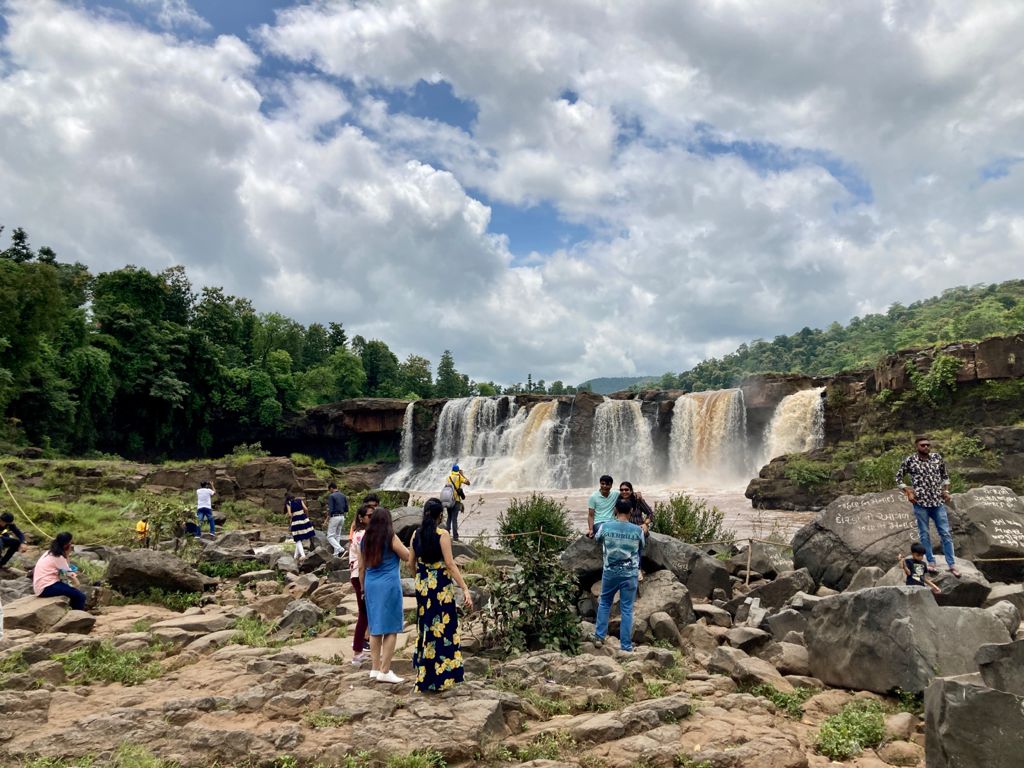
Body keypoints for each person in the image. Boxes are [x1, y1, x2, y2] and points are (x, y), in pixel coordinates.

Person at [411, 498, 473, 693]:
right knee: (445, 627)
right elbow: (450, 563)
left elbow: (409, 563)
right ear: (440, 515)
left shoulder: (416, 534)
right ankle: (446, 674)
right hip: (440, 587)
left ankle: (425, 674)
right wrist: (464, 587)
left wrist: (420, 579)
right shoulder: (442, 534)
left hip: (423, 586)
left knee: (427, 626)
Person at [360, 507, 411, 684]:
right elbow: (406, 556)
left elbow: (361, 566)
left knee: (375, 627)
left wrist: (362, 588)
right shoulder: (390, 536)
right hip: (388, 584)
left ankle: (374, 669)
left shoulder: (365, 538)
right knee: (391, 628)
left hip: (371, 584)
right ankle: (385, 670)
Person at [896, 436, 960, 577]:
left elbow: (946, 477)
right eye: (922, 445)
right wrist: (908, 491)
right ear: (916, 447)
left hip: (937, 502)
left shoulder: (937, 458)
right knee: (924, 534)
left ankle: (952, 564)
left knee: (945, 533)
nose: (926, 447)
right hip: (920, 503)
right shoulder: (910, 460)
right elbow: (898, 478)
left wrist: (946, 490)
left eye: (928, 445)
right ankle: (931, 562)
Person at [592, 498, 645, 652]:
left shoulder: (605, 527)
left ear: (615, 510)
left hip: (610, 572)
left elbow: (597, 539)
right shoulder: (638, 530)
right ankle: (626, 645)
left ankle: (599, 637)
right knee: (627, 608)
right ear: (631, 512)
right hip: (630, 574)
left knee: (605, 602)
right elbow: (642, 545)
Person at [33, 532, 86, 611]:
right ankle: (78, 616)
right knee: (80, 596)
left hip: (42, 585)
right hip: (47, 586)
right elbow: (69, 573)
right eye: (70, 543)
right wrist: (77, 583)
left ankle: (72, 611)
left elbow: (65, 567)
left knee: (72, 592)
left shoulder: (49, 552)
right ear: (66, 545)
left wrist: (67, 554)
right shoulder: (58, 556)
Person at [349, 503, 372, 665]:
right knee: (364, 613)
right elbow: (363, 562)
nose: (372, 518)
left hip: (357, 575)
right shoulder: (362, 535)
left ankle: (361, 646)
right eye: (369, 516)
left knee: (365, 613)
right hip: (360, 576)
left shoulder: (358, 533)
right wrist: (363, 586)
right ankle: (357, 651)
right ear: (361, 518)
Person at [285, 493, 317, 560]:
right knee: (299, 538)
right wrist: (306, 516)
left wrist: (291, 517)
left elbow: (290, 514)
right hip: (303, 518)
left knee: (297, 538)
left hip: (296, 521)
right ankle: (295, 556)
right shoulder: (299, 500)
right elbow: (306, 509)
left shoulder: (289, 503)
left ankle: (303, 555)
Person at [445, 465, 470, 541]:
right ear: (458, 471)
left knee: (449, 518)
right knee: (454, 519)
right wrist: (462, 474)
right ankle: (455, 537)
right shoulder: (459, 477)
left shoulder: (448, 477)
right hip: (456, 500)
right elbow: (468, 483)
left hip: (449, 499)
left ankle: (447, 534)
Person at [325, 482, 349, 557]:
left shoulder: (332, 496)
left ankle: (340, 549)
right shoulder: (343, 495)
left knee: (330, 536)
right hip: (342, 517)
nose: (330, 491)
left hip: (335, 517)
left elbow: (331, 509)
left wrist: (327, 519)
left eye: (330, 490)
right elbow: (346, 509)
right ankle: (336, 554)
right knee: (337, 535)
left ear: (331, 488)